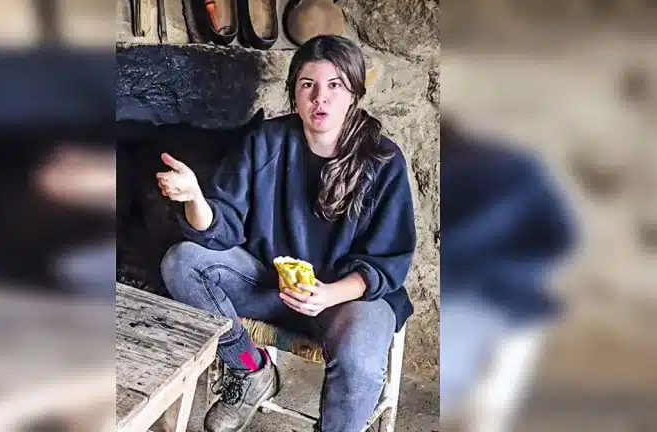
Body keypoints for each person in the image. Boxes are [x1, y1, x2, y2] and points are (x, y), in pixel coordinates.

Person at [156, 35, 416, 432]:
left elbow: (386, 262)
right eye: (308, 84)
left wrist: (328, 294)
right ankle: (250, 368)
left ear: (353, 93)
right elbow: (222, 225)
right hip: (270, 284)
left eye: (335, 85)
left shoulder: (382, 160)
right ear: (293, 91)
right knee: (181, 261)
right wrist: (195, 197)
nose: (320, 98)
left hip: (346, 298)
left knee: (362, 364)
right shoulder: (266, 142)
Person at [440, 118, 575, 431]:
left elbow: (560, 239)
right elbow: (561, 239)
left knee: (483, 411)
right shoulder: (517, 169)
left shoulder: (516, 172)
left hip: (501, 306)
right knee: (483, 413)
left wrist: (498, 274)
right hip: (499, 305)